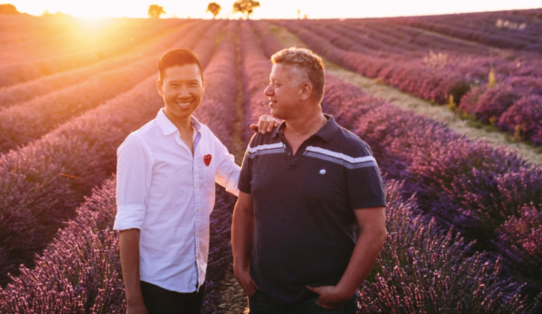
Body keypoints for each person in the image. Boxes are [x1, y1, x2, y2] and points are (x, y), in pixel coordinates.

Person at [114, 48, 279, 314]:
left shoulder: (206, 137)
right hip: (157, 283)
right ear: (160, 87)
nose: (184, 93)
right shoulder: (140, 145)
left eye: (192, 84)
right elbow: (128, 225)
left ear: (203, 85)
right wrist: (134, 301)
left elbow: (238, 180)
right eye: (174, 85)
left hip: (195, 278)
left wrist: (267, 141)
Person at [232, 47, 387, 313]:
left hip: (320, 304)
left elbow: (374, 230)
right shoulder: (260, 142)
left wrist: (343, 291)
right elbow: (244, 209)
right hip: (265, 298)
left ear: (305, 91)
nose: (267, 91)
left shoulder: (352, 152)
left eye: (277, 84)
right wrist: (239, 268)